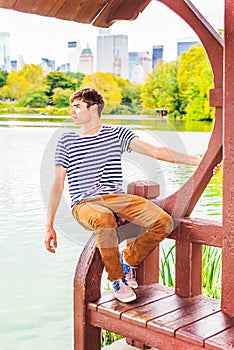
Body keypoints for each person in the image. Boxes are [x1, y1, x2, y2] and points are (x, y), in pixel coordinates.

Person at [44, 87, 202, 303]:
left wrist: (196, 161)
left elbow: (156, 151)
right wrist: (49, 224)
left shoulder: (117, 134)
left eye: (77, 106)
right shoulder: (67, 140)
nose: (71, 111)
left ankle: (126, 261)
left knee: (164, 222)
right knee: (104, 218)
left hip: (116, 198)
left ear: (93, 109)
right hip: (84, 203)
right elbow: (57, 183)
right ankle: (117, 278)